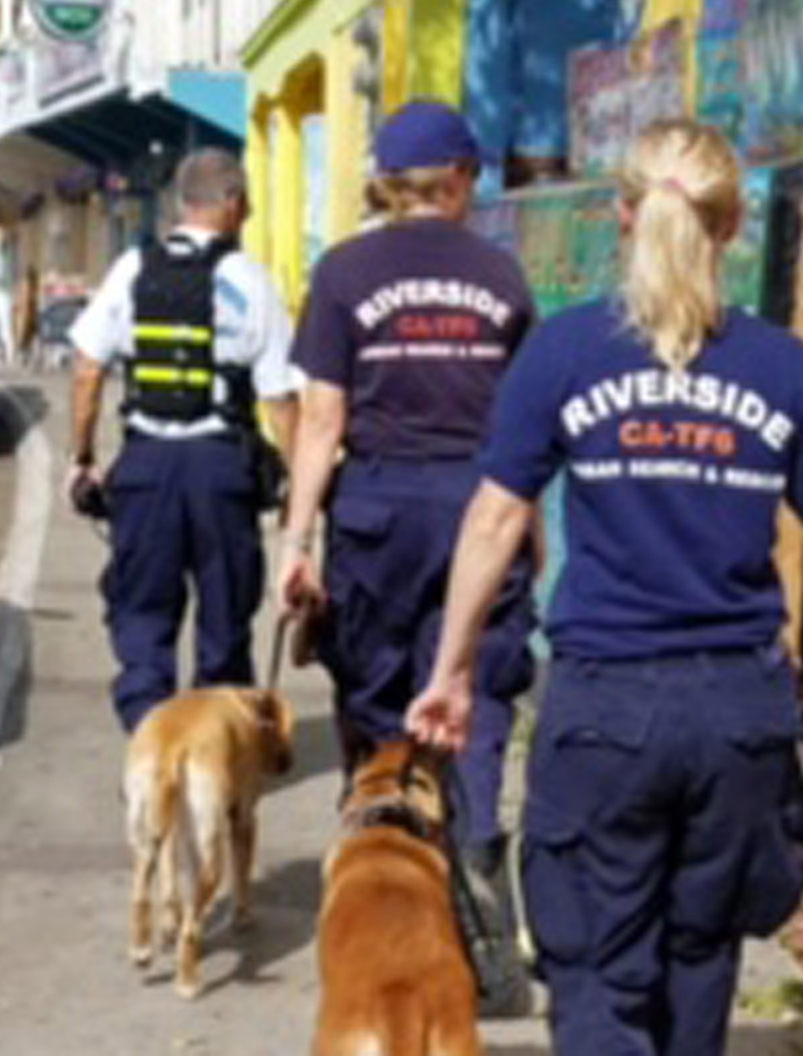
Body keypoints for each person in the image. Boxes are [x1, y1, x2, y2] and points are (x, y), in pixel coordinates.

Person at [405, 119, 803, 1054]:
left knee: (595, 966)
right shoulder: (785, 370)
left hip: (604, 709)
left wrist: (451, 668)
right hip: (739, 716)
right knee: (700, 956)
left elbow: (496, 520)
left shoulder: (566, 354)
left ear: (623, 218)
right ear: (733, 227)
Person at [275, 101, 539, 1011]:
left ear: (388, 182)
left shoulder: (346, 271)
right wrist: (528, 532)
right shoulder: (502, 276)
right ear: (461, 178)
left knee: (382, 702)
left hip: (379, 512)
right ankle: (483, 916)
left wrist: (297, 537)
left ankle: (390, 906)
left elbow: (321, 416)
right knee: (481, 695)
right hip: (480, 503)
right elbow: (524, 423)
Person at [68, 148, 301, 734]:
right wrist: (302, 484)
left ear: (180, 204)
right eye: (243, 202)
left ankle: (151, 751)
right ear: (230, 202)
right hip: (221, 470)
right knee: (225, 622)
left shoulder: (131, 269)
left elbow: (86, 369)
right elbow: (279, 399)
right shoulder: (251, 281)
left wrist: (84, 457)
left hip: (145, 466)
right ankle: (218, 752)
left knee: (142, 620)